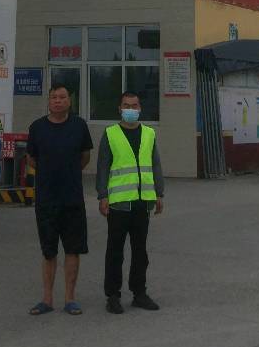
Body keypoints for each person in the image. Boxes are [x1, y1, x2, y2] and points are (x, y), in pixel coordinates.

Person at [25, 84, 93, 316]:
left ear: (69, 101)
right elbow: (32, 159)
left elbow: (85, 156)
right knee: (49, 251)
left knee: (73, 249)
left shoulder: (79, 126)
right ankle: (47, 299)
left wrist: (69, 173)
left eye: (62, 97)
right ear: (48, 101)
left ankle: (70, 299)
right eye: (54, 97)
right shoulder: (37, 127)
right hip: (46, 199)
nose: (58, 101)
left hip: (72, 199)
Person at [97, 91, 165, 314]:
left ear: (140, 108)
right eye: (126, 105)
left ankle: (139, 293)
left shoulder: (149, 134)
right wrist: (102, 195)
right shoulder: (110, 134)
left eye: (134, 106)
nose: (130, 110)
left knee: (140, 252)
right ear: (119, 109)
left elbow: (155, 165)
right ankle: (113, 296)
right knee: (115, 252)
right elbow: (103, 167)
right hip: (118, 204)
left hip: (142, 203)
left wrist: (159, 193)